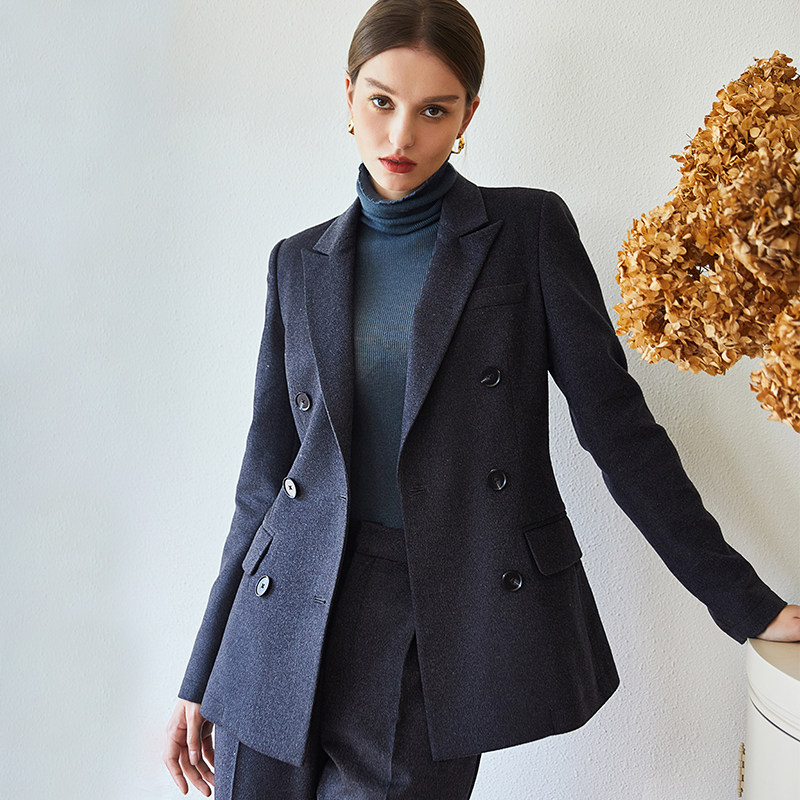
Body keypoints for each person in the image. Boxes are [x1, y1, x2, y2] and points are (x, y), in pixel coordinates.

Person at [163, 1, 800, 797]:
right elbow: (263, 482)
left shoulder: (526, 230)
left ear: (468, 115)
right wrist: (203, 672)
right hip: (276, 631)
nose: (401, 135)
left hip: (435, 622)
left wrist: (744, 603)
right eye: (381, 102)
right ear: (349, 96)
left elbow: (618, 431)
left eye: (435, 110)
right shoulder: (297, 262)